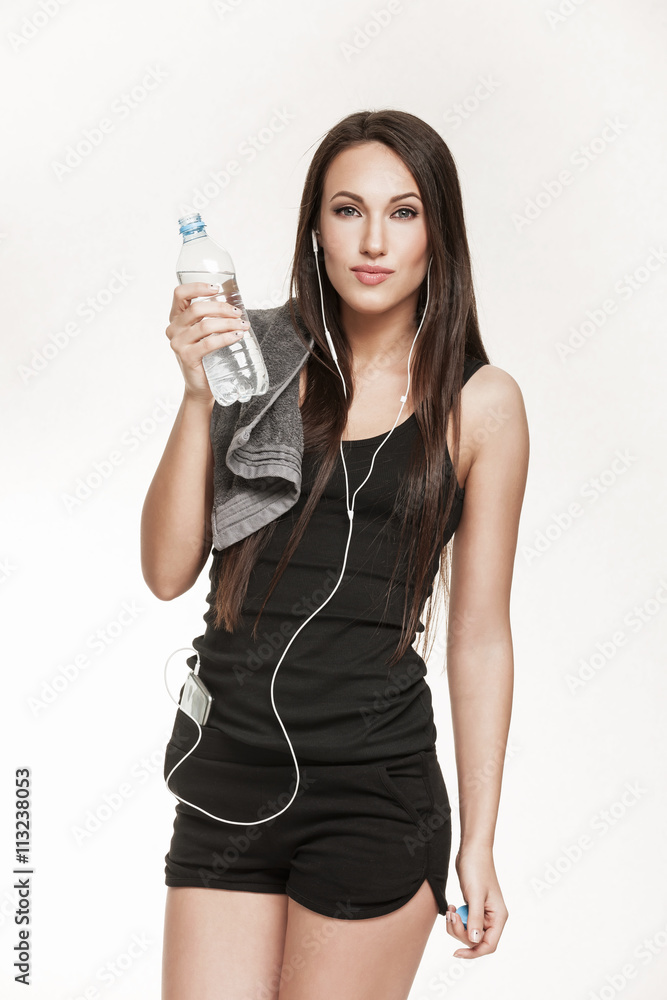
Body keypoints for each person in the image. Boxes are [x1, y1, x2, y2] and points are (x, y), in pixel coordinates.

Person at [141, 109, 529, 1000]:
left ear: (438, 232)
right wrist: (198, 397)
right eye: (347, 210)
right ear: (315, 227)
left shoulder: (481, 405)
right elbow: (165, 572)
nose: (373, 241)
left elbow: (478, 637)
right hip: (228, 776)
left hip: (373, 796)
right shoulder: (252, 360)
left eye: (403, 212)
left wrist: (478, 842)